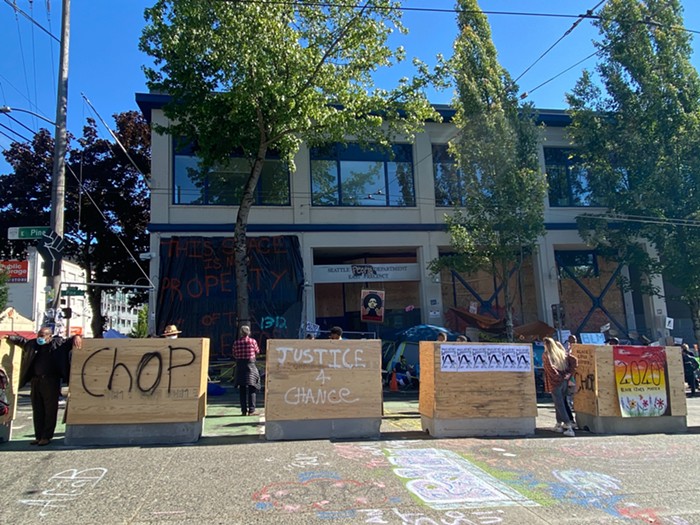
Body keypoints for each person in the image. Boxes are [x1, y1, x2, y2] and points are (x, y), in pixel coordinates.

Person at [5, 327, 82, 446]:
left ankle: (46, 436)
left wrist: (77, 336)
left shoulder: (58, 344)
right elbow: (22, 341)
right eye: (39, 335)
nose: (40, 338)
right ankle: (38, 436)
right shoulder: (33, 345)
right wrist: (9, 337)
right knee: (38, 409)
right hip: (36, 381)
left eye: (43, 335)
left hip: (51, 380)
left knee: (50, 410)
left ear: (49, 336)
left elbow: (70, 341)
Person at [542, 337, 577, 437]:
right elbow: (574, 360)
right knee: (561, 402)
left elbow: (550, 369)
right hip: (564, 381)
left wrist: (558, 377)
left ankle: (568, 425)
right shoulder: (561, 353)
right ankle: (559, 424)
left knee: (559, 403)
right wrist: (568, 373)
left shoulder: (547, 355)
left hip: (555, 382)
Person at [232, 325, 261, 416]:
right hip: (251, 366)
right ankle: (251, 410)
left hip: (240, 366)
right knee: (252, 387)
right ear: (249, 332)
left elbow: (234, 353)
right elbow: (257, 351)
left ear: (241, 333)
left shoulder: (236, 342)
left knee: (242, 389)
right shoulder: (252, 341)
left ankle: (243, 410)